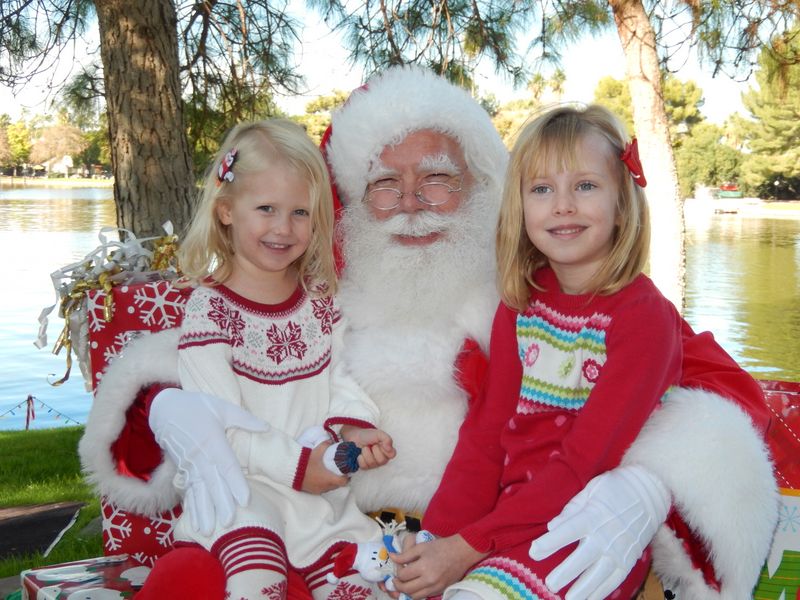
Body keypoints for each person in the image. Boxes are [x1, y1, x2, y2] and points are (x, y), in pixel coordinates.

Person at [79, 65, 777, 599]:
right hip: (319, 527)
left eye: (438, 177)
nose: (410, 203)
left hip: (486, 539)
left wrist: (650, 480)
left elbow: (720, 388)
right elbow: (219, 347)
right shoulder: (320, 280)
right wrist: (167, 407)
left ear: (483, 186)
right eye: (385, 182)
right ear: (353, 197)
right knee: (188, 581)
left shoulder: (540, 287)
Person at [386, 104, 686, 599]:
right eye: (542, 189)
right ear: (519, 206)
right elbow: (486, 436)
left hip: (585, 533)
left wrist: (466, 547)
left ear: (622, 202)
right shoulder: (521, 306)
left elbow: (582, 464)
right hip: (507, 522)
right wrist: (437, 537)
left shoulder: (642, 319)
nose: (562, 205)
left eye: (585, 186)